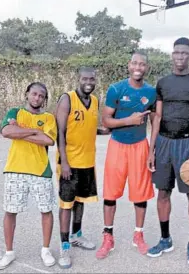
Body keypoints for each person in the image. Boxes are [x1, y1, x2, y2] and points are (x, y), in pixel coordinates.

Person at [147, 37, 189, 266]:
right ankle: (165, 239)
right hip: (164, 142)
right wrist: (151, 149)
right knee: (163, 193)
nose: (180, 56)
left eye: (184, 53)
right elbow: (157, 118)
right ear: (172, 54)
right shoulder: (163, 83)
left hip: (188, 143)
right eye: (177, 52)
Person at [95, 52, 156, 259]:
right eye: (135, 63)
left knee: (140, 194)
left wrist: (152, 150)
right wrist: (129, 120)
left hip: (140, 146)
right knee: (111, 193)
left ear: (146, 67)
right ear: (129, 65)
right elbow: (106, 121)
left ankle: (138, 235)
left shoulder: (151, 92)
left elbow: (155, 123)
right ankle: (108, 236)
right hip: (118, 146)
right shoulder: (116, 89)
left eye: (142, 64)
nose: (138, 67)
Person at [0, 82, 57, 270]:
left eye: (41, 96)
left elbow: (48, 140)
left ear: (44, 99)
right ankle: (9, 252)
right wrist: (34, 131)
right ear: (27, 94)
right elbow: (6, 131)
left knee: (46, 210)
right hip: (15, 169)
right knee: (10, 211)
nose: (37, 98)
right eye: (34, 94)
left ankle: (45, 250)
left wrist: (19, 131)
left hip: (40, 170)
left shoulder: (48, 117)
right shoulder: (15, 112)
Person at [56, 67, 107, 269]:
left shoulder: (94, 101)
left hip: (88, 161)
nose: (89, 81)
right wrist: (65, 162)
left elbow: (84, 125)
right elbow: (60, 131)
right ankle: (64, 244)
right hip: (70, 163)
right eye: (85, 78)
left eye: (92, 79)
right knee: (66, 204)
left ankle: (77, 235)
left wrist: (102, 131)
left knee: (80, 201)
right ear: (78, 79)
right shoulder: (67, 99)